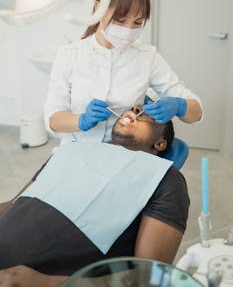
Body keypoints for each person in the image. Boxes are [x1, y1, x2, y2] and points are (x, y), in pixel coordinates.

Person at [0, 106, 190, 287]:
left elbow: (148, 276)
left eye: (148, 115)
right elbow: (13, 203)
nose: (135, 112)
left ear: (160, 143)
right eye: (134, 108)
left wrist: (48, 283)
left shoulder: (166, 178)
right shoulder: (72, 149)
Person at [44, 0, 202, 147]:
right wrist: (81, 120)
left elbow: (196, 112)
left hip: (125, 153)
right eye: (120, 20)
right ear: (98, 9)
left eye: (137, 22)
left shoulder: (148, 57)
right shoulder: (69, 55)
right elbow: (53, 120)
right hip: (75, 150)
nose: (128, 29)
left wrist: (179, 106)